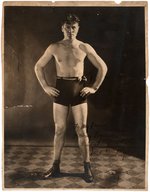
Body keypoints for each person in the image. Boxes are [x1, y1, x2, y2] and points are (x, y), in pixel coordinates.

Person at [34, 14, 107, 183]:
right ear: (62, 28)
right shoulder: (54, 47)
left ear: (78, 28)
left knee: (81, 129)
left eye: (74, 27)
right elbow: (38, 66)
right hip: (61, 90)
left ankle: (87, 167)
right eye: (67, 27)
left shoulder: (84, 46)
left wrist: (94, 87)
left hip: (78, 90)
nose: (70, 30)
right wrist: (45, 86)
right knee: (59, 129)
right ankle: (56, 167)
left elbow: (103, 67)